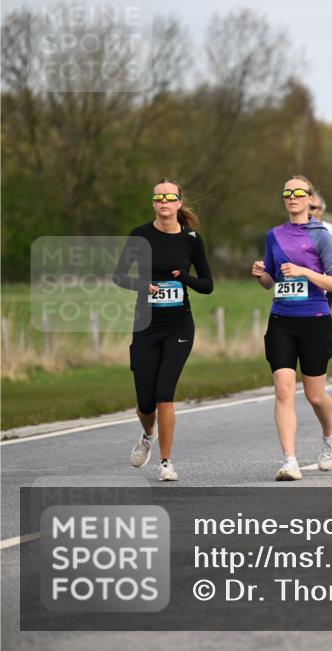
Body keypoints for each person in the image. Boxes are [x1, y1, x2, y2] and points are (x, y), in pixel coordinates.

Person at [113, 179, 214, 481]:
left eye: (170, 198)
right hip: (145, 324)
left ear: (179, 203)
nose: (164, 202)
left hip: (178, 325)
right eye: (159, 198)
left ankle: (166, 462)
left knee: (163, 394)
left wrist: (185, 278)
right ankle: (148, 435)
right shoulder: (140, 235)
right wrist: (142, 285)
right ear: (153, 203)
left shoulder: (191, 239)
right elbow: (119, 276)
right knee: (145, 403)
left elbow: (207, 285)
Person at [251, 175, 332, 481]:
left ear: (309, 198)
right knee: (283, 389)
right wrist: (261, 274)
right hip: (281, 320)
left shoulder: (322, 236)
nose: (292, 197)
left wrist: (304, 271)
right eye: (287, 193)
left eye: (298, 193)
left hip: (315, 319)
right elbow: (271, 282)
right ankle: (289, 460)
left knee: (315, 396)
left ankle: (329, 433)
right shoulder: (274, 235)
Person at [308, 191, 332, 308]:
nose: (308, 210)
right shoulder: (297, 229)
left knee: (323, 314)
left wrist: (331, 259)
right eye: (307, 206)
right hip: (305, 282)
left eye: (312, 207)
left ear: (321, 210)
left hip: (326, 282)